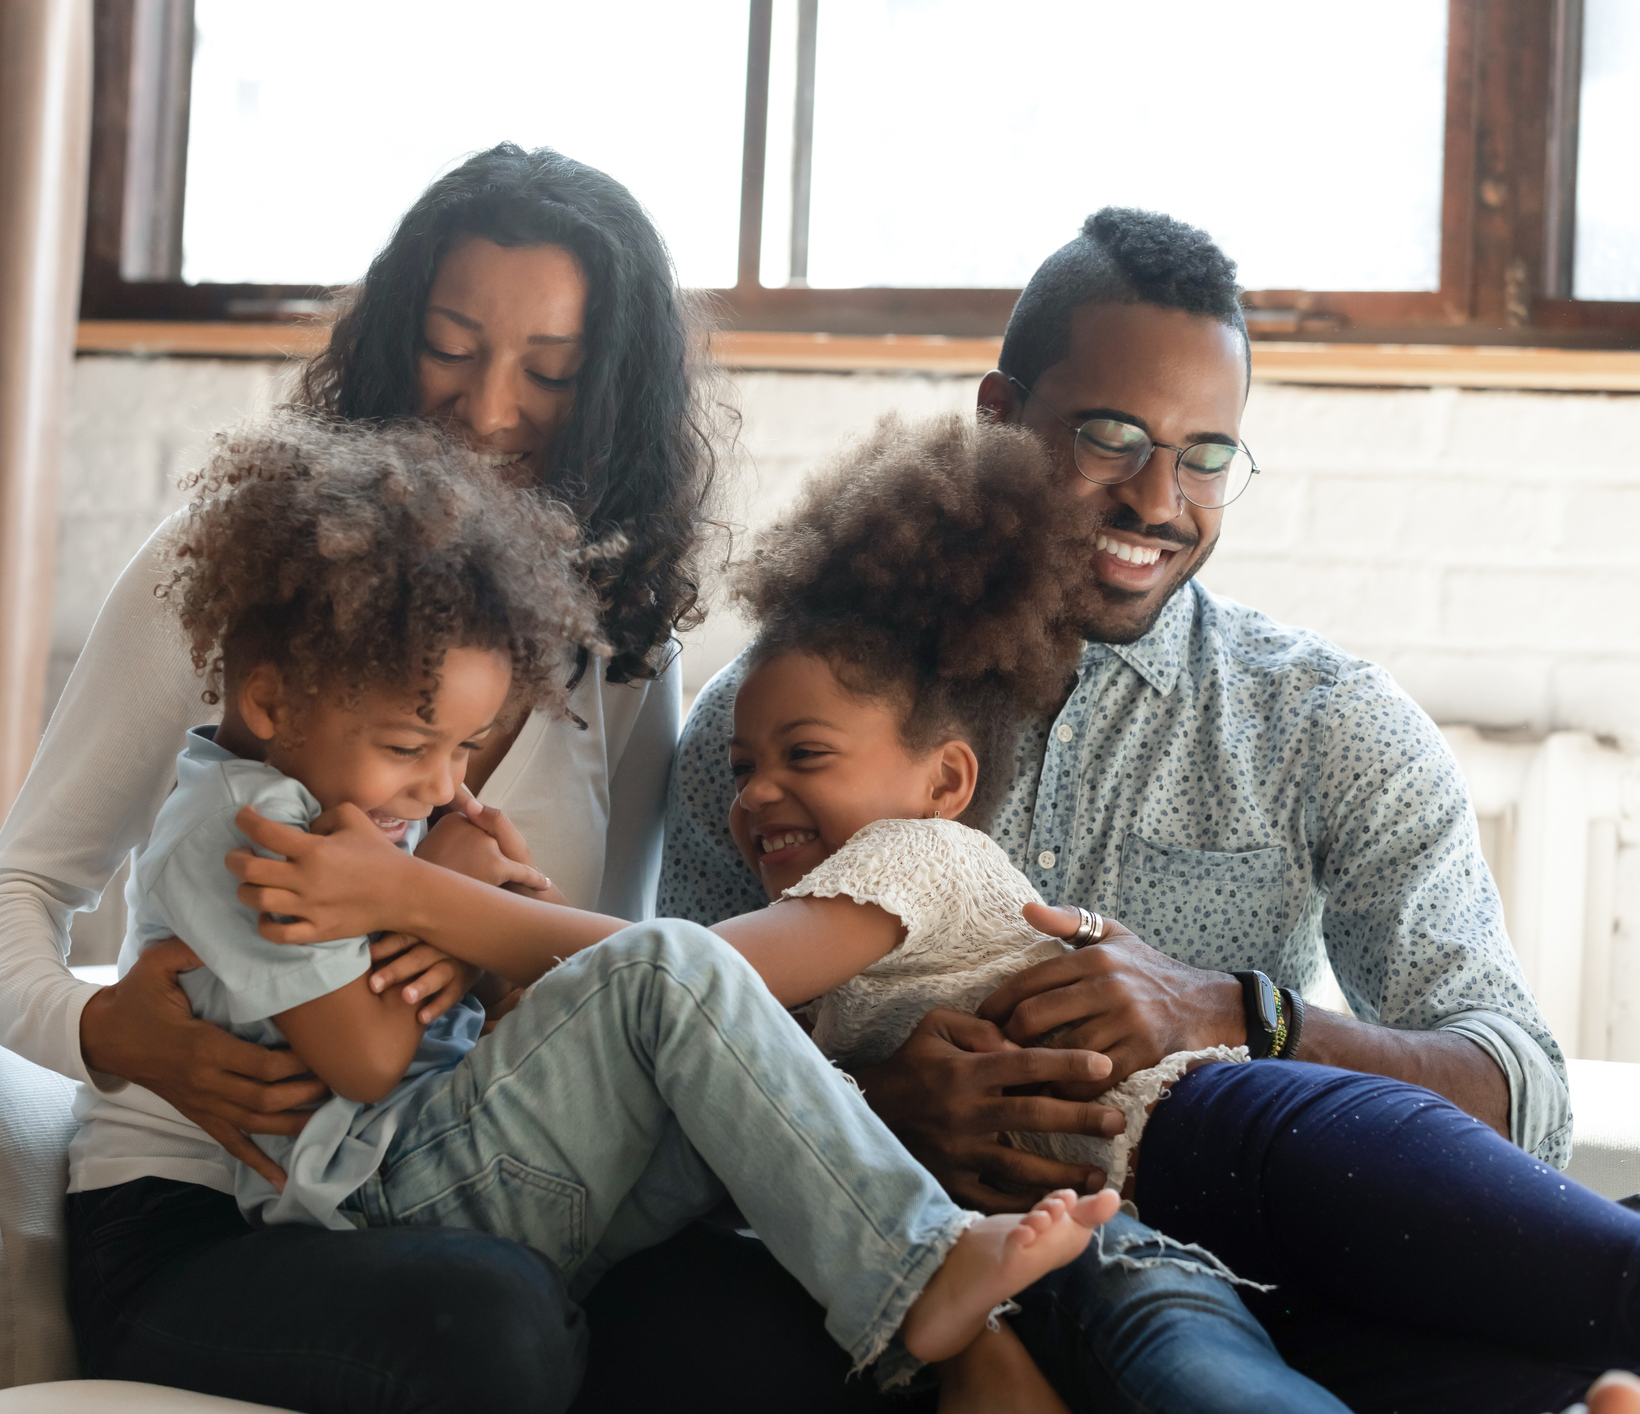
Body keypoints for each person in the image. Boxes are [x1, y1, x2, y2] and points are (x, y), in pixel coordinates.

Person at [659, 207, 1575, 1411]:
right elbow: (666, 1052)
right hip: (886, 1292)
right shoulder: (780, 731)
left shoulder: (1324, 724)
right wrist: (880, 1110)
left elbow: (1525, 1095)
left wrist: (1240, 1013)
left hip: (1212, 1281)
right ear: (999, 416)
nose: (1159, 497)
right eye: (1111, 436)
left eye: (1206, 455)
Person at [82, 411, 1124, 1409]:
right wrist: (440, 898)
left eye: (462, 751)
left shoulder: (339, 801)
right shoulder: (252, 826)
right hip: (367, 1190)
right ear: (271, 703)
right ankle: (922, 1270)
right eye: (415, 748)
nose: (447, 787)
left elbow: (449, 985)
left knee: (708, 1100)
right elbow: (361, 1057)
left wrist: (469, 933)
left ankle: (941, 1316)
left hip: (435, 1144)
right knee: (674, 972)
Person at [0, 144, 715, 1413]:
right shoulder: (244, 581)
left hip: (467, 1178)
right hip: (201, 1217)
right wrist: (100, 1029)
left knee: (756, 1335)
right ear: (391, 339)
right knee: (497, 1326)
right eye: (452, 347)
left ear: (611, 390)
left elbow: (609, 959)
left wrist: (466, 919)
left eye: (553, 371)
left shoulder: (618, 645)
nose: (490, 406)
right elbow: (8, 897)